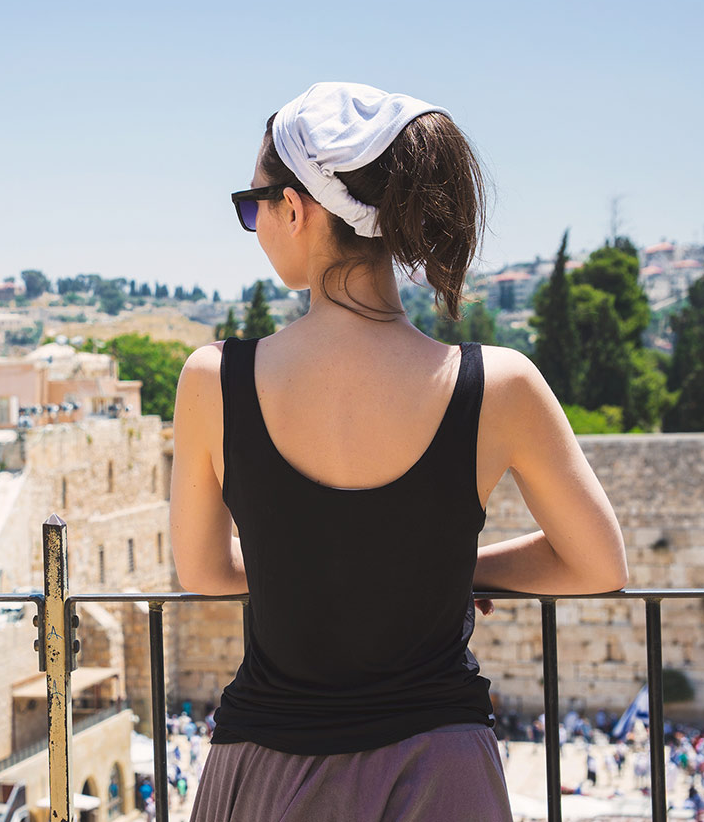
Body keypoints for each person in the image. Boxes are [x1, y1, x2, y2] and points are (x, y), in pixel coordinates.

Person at [172, 82, 629, 821]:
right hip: (442, 774)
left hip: (270, 769)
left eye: (254, 204)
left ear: (297, 208)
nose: (255, 224)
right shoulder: (500, 384)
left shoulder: (213, 381)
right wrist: (451, 572)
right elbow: (598, 565)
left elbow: (202, 570)